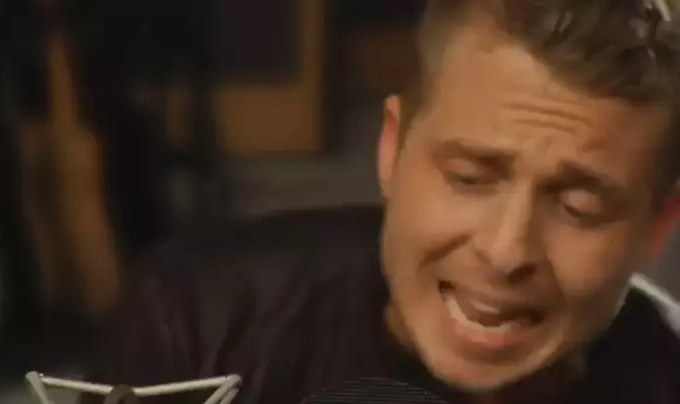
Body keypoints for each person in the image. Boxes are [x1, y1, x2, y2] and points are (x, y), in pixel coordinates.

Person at [83, 1, 680, 403]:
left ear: (658, 227)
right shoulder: (198, 324)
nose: (506, 251)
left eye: (577, 209)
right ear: (392, 148)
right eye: (471, 178)